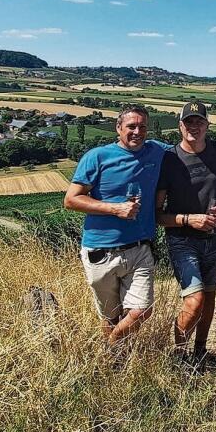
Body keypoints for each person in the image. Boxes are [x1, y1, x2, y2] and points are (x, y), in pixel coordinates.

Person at [64, 105, 169, 346]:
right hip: (101, 251)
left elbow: (187, 149)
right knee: (110, 316)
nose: (137, 132)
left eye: (142, 126)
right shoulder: (97, 157)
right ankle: (117, 361)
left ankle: (107, 349)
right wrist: (115, 208)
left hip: (140, 248)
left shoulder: (157, 152)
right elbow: (71, 200)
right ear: (118, 128)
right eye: (131, 126)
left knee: (141, 310)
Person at [155, 101, 216, 364]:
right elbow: (157, 216)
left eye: (199, 122)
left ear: (207, 125)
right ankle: (178, 354)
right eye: (189, 122)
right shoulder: (169, 159)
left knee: (209, 296)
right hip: (183, 241)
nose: (194, 127)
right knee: (195, 299)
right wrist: (190, 220)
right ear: (180, 126)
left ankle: (199, 351)